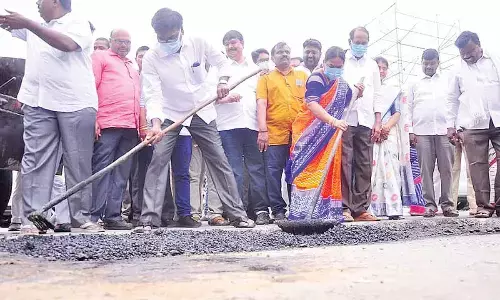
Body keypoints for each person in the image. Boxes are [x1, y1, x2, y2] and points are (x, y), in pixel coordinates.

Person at [135, 8, 255, 232]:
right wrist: (157, 124)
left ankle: (237, 214)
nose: (167, 41)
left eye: (171, 37)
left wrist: (223, 82)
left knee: (219, 160)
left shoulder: (198, 42)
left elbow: (223, 63)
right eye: (162, 38)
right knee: (158, 161)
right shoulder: (152, 57)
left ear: (181, 30)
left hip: (202, 109)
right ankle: (149, 218)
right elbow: (153, 94)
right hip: (171, 113)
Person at [0, 0, 101, 232]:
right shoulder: (34, 25)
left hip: (75, 102)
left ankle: (81, 218)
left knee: (77, 161)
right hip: (38, 102)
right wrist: (19, 23)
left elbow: (66, 44)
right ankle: (35, 220)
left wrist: (27, 23)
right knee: (35, 160)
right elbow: (7, 23)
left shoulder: (78, 23)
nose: (36, 3)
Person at [288, 46, 353, 220]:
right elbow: (312, 104)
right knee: (306, 170)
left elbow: (348, 101)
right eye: (332, 65)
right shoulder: (316, 78)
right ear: (324, 63)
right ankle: (302, 212)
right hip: (308, 133)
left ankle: (325, 211)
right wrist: (332, 121)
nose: (335, 69)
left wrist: (358, 93)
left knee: (328, 170)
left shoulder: (342, 84)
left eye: (339, 67)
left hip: (330, 137)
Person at [216, 30, 270, 224]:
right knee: (234, 170)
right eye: (227, 44)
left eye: (234, 43)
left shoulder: (256, 70)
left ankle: (261, 210)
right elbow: (208, 98)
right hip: (228, 127)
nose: (231, 47)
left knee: (256, 169)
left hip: (253, 125)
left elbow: (264, 98)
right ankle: (237, 212)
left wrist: (263, 128)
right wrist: (225, 99)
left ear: (242, 44)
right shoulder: (219, 69)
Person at [90, 29, 141, 230]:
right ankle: (93, 216)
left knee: (122, 173)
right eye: (119, 41)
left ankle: (113, 216)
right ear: (111, 41)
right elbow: (91, 87)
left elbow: (138, 96)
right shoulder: (100, 57)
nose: (124, 45)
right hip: (108, 123)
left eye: (127, 42)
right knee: (102, 169)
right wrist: (93, 119)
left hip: (130, 126)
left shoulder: (131, 65)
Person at [446, 31, 500, 218]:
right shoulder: (456, 70)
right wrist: (450, 126)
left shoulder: (494, 60)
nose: (467, 56)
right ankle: (484, 207)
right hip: (472, 124)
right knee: (477, 166)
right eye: (463, 54)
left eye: (470, 51)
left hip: (498, 119)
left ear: (479, 45)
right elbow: (452, 99)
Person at [256, 42, 308, 220]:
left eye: (287, 51)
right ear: (273, 57)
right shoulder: (266, 78)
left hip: (298, 135)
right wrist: (262, 130)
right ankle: (277, 210)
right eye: (280, 52)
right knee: (273, 173)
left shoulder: (302, 75)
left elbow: (310, 103)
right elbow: (261, 103)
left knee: (296, 172)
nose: (284, 54)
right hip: (274, 133)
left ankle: (297, 208)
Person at [408, 49, 459, 218]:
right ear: (421, 62)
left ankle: (448, 205)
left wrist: (454, 127)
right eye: (425, 63)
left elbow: (453, 104)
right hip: (422, 132)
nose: (428, 66)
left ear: (438, 62)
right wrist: (410, 131)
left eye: (432, 63)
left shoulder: (447, 80)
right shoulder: (414, 83)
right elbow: (408, 108)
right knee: (426, 170)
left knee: (446, 170)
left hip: (445, 132)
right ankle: (429, 205)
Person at [341, 26, 382, 222]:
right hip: (346, 119)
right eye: (356, 42)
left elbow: (378, 94)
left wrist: (378, 120)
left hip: (366, 119)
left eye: (363, 42)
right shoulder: (341, 61)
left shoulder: (372, 65)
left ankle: (360, 209)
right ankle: (344, 207)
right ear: (350, 41)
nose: (360, 45)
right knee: (345, 163)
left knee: (365, 165)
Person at [369, 57, 405, 219]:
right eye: (378, 67)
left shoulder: (393, 90)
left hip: (388, 133)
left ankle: (393, 208)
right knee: (371, 169)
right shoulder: (369, 88)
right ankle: (371, 209)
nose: (381, 70)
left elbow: (397, 112)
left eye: (384, 68)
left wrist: (386, 127)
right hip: (370, 131)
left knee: (391, 169)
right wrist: (375, 127)